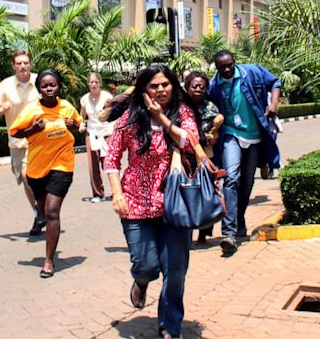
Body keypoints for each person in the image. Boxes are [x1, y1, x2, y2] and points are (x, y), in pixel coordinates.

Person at [105, 64, 201, 339]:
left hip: (175, 202)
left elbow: (189, 142)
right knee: (145, 263)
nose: (160, 90)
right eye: (153, 86)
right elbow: (111, 159)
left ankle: (169, 325)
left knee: (175, 269)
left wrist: (163, 118)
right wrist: (117, 193)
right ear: (143, 89)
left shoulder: (181, 113)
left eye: (165, 85)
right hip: (135, 203)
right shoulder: (131, 118)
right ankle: (141, 281)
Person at [9, 69, 83, 278]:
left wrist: (74, 126)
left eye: (53, 85)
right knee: (44, 210)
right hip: (37, 169)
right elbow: (14, 131)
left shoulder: (66, 107)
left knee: (52, 211)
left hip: (62, 165)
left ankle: (48, 261)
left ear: (59, 86)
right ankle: (46, 225)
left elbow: (79, 125)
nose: (49, 89)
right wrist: (31, 130)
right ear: (39, 89)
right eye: (44, 85)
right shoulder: (32, 110)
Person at [207, 50, 281, 255]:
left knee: (247, 182)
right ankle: (228, 233)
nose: (227, 69)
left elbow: (275, 82)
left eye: (229, 64)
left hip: (255, 135)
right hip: (231, 135)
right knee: (231, 178)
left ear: (234, 62)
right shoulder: (214, 87)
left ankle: (239, 217)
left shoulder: (252, 72)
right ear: (217, 67)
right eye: (222, 66)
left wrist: (273, 104)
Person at [0, 50, 44, 235]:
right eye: (19, 63)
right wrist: (2, 108)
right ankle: (38, 213)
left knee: (31, 176)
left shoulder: (39, 81)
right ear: (14, 66)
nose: (22, 66)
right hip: (17, 141)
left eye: (25, 63)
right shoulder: (6, 85)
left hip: (39, 139)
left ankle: (43, 211)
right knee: (26, 179)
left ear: (30, 64)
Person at [185, 71, 223, 244]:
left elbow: (216, 133)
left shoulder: (211, 108)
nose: (198, 89)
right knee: (185, 194)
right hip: (184, 157)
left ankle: (203, 232)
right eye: (194, 86)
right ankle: (185, 234)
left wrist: (212, 137)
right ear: (187, 88)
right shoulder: (180, 107)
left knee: (206, 194)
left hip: (205, 156)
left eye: (202, 86)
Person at [79, 72, 114, 202]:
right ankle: (98, 193)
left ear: (100, 83)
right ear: (88, 83)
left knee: (109, 163)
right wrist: (81, 124)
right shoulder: (84, 99)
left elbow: (114, 113)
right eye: (91, 82)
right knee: (93, 165)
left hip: (106, 133)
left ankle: (118, 190)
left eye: (96, 82)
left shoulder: (107, 97)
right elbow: (82, 115)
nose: (93, 84)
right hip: (92, 133)